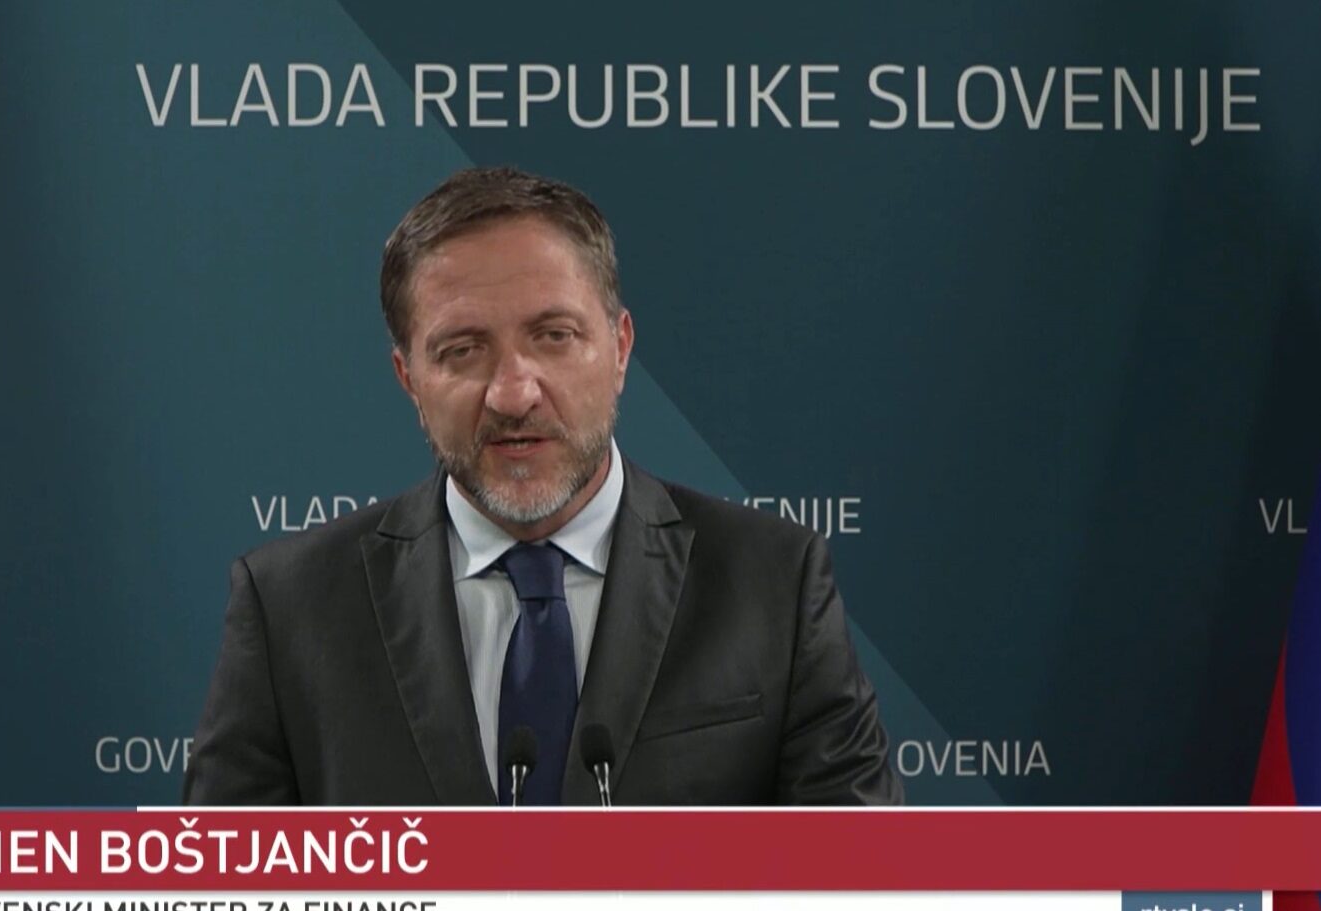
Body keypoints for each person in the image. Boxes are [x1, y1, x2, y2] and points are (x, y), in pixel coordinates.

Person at [183, 166, 902, 805]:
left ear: (619, 349)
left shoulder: (772, 584)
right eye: (463, 350)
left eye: (553, 336)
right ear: (409, 379)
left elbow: (865, 879)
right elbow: (223, 886)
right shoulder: (291, 608)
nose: (513, 393)